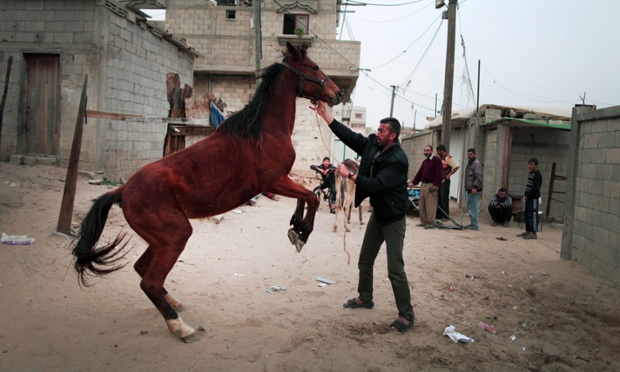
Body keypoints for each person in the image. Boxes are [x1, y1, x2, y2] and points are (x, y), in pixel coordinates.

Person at [310, 101, 415, 333]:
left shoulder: (398, 159)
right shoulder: (372, 145)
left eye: (382, 131)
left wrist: (351, 175)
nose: (377, 133)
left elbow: (377, 185)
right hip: (378, 214)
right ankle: (365, 297)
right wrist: (325, 115)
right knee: (365, 259)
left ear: (393, 136)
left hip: (394, 218)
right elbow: (349, 137)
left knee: (395, 269)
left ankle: (406, 315)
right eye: (377, 129)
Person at [410, 145, 442, 229]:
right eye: (425, 151)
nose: (426, 152)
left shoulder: (436, 160)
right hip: (423, 185)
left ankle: (431, 223)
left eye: (428, 150)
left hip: (431, 186)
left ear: (431, 151)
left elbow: (439, 173)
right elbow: (420, 173)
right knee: (422, 205)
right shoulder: (425, 161)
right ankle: (423, 222)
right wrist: (413, 182)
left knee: (430, 205)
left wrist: (436, 185)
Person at [517, 158, 543, 239]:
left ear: (536, 165)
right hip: (528, 197)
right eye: (529, 164)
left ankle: (534, 233)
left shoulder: (537, 174)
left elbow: (536, 188)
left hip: (534, 198)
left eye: (531, 164)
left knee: (533, 214)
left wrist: (530, 196)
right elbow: (528, 186)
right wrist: (525, 195)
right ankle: (527, 231)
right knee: (527, 214)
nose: (530, 166)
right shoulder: (531, 173)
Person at [435, 144, 460, 221]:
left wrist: (449, 175)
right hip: (439, 181)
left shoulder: (448, 158)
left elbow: (456, 166)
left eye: (438, 151)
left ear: (442, 151)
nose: (438, 153)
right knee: (439, 199)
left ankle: (445, 216)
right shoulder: (441, 158)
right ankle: (439, 215)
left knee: (444, 199)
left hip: (445, 181)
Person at [464, 148, 483, 231]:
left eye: (470, 154)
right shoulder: (470, 164)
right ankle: (472, 224)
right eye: (468, 154)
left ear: (474, 154)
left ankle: (475, 225)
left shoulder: (476, 164)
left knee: (473, 208)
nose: (469, 156)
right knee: (471, 208)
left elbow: (478, 177)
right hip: (470, 190)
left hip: (474, 190)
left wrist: (475, 187)